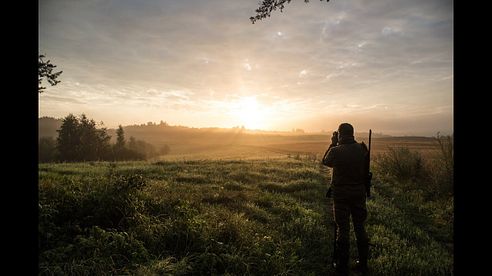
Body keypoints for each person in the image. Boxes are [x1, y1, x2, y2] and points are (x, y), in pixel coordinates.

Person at [322, 123, 370, 275]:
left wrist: (333, 143)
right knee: (359, 226)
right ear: (353, 133)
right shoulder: (362, 149)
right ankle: (363, 263)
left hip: (341, 194)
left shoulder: (335, 151)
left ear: (340, 134)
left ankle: (342, 265)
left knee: (343, 229)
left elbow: (325, 161)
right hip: (359, 193)